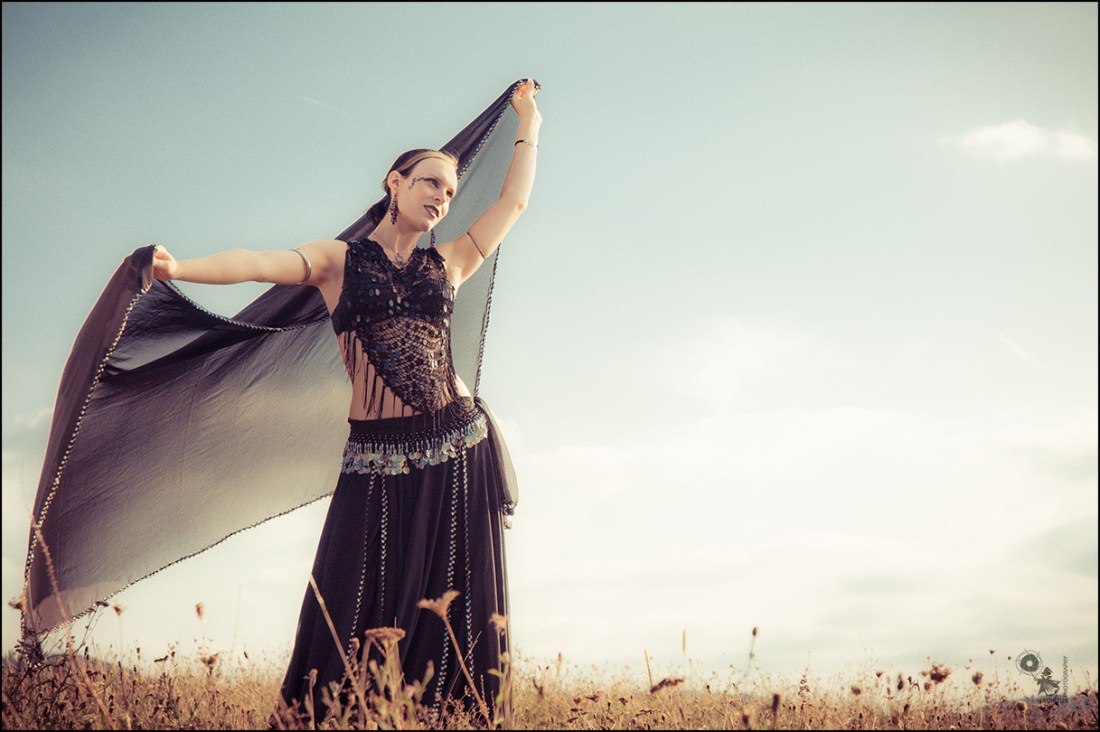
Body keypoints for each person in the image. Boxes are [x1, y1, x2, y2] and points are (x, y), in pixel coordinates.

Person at [149, 78, 540, 723]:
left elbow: (514, 203)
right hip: (375, 455)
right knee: (354, 592)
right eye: (429, 183)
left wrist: (530, 123)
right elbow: (257, 262)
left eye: (448, 188)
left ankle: (446, 718)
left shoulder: (451, 262)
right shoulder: (339, 261)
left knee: (454, 598)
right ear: (394, 181)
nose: (442, 196)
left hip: (457, 447)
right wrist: (178, 268)